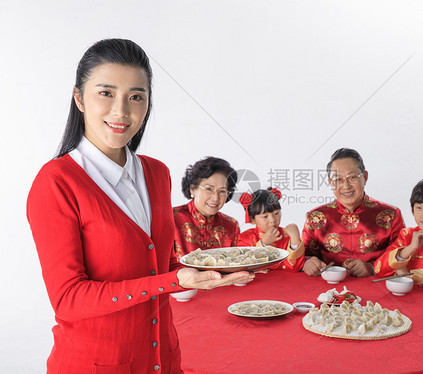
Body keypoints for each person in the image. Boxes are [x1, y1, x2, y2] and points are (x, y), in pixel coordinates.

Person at [26, 39, 254, 373]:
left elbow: (160, 263)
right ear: (79, 99)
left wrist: (207, 273)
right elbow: (69, 300)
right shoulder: (57, 182)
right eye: (106, 93)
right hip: (96, 365)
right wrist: (172, 282)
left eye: (136, 96)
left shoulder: (157, 173)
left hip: (164, 360)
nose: (121, 111)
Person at [302, 148, 405, 277]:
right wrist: (307, 263)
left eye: (352, 177)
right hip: (327, 291)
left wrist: (372, 268)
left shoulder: (390, 215)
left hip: (375, 290)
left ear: (365, 177)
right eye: (338, 179)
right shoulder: (316, 217)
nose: (346, 186)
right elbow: (302, 256)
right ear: (330, 183)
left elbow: (401, 257)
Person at [173, 157, 240, 257]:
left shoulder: (231, 226)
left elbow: (237, 262)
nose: (215, 198)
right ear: (192, 189)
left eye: (222, 191)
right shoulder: (171, 219)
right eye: (209, 189)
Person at [238, 188, 305, 271]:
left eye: (276, 213)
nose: (273, 220)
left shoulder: (286, 235)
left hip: (283, 282)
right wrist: (263, 244)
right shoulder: (246, 238)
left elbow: (294, 268)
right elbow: (242, 265)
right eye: (265, 216)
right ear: (252, 219)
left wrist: (295, 242)